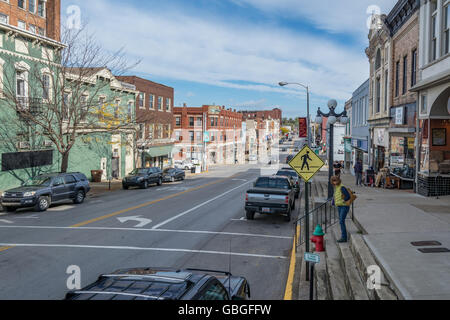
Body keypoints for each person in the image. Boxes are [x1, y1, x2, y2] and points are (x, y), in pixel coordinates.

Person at [331, 175, 351, 243]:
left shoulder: (342, 187)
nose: (334, 182)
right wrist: (333, 202)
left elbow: (348, 196)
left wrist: (343, 200)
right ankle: (343, 236)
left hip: (344, 206)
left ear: (338, 180)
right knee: (341, 221)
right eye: (333, 181)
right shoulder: (336, 187)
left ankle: (344, 237)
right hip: (339, 206)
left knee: (341, 221)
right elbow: (336, 195)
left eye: (335, 180)